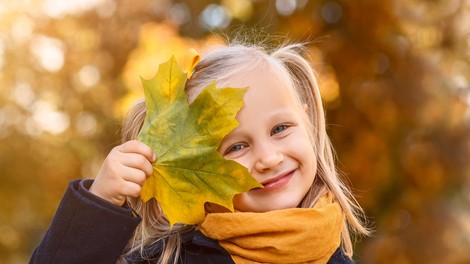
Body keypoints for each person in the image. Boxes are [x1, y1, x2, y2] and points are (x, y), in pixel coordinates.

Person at [30, 40, 370, 264]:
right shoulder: (172, 258)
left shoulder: (333, 256)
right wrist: (99, 203)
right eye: (236, 146)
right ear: (195, 170)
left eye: (280, 129)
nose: (269, 158)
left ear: (307, 123)